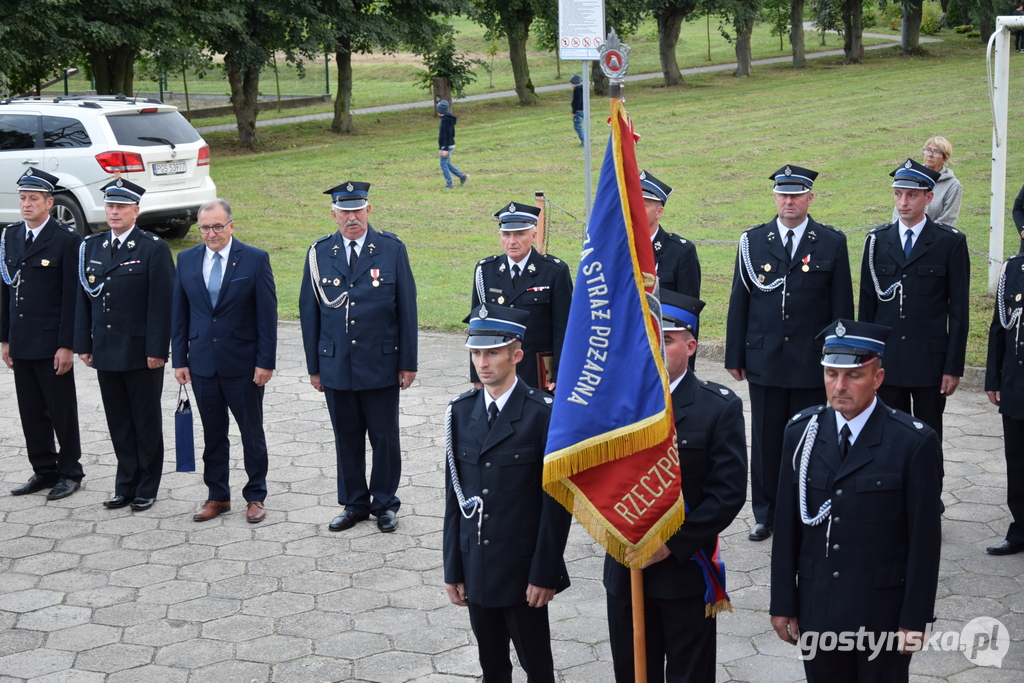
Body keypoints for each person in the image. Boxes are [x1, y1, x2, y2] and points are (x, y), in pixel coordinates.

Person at [770, 319, 942, 682]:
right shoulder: (802, 433)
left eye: (854, 376)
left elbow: (924, 543)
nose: (840, 386)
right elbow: (786, 526)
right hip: (819, 607)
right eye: (831, 374)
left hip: (881, 614)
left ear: (878, 378)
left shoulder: (912, 442)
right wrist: (784, 603)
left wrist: (914, 619)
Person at [603, 291, 746, 683]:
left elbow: (728, 493)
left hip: (684, 572)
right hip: (627, 565)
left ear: (691, 345)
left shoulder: (718, 407)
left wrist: (672, 544)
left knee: (690, 674)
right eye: (649, 336)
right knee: (632, 674)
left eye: (665, 339)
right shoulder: (617, 404)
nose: (656, 346)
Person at [725, 165, 854, 542]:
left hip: (811, 362)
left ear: (810, 198)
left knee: (812, 436)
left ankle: (808, 506)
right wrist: (735, 355)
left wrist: (840, 361)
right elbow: (740, 301)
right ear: (775, 198)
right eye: (783, 194)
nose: (789, 201)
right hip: (764, 358)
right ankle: (766, 513)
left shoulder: (830, 242)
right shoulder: (754, 240)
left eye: (796, 195)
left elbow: (840, 308)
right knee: (765, 440)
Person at [444, 303, 572, 683]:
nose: (483, 362)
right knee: (492, 667)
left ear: (516, 355)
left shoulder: (543, 415)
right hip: (477, 564)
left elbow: (556, 506)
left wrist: (545, 573)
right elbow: (455, 499)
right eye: (476, 352)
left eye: (493, 352)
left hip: (523, 572)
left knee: (537, 668)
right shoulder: (460, 412)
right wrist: (454, 568)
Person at [299, 181, 418, 533]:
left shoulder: (390, 249)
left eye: (357, 210)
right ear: (334, 214)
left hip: (381, 362)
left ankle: (384, 503)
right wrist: (314, 367)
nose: (352, 217)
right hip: (336, 363)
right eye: (344, 211)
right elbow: (310, 313)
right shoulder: (320, 253)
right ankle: (353, 504)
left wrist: (407, 362)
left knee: (384, 437)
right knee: (346, 436)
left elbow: (406, 309)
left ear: (369, 210)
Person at [172, 199, 278, 523]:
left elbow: (267, 316)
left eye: (218, 226)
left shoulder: (255, 259)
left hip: (243, 365)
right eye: (205, 227)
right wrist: (179, 359)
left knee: (251, 432)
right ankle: (217, 495)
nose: (211, 233)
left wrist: (265, 362)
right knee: (212, 434)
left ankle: (255, 495)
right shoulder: (187, 259)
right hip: (202, 363)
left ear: (231, 225)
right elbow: (180, 313)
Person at [75, 179, 175, 511]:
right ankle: (125, 484)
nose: (114, 212)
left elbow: (162, 304)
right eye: (110, 206)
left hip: (140, 351)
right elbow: (84, 301)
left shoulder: (152, 247)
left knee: (145, 420)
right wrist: (83, 344)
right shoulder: (92, 246)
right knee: (118, 420)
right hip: (105, 349)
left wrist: (158, 350)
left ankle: (147, 485)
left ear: (135, 210)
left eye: (121, 207)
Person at [859, 159, 969, 443]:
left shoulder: (949, 242)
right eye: (898, 194)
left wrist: (952, 367)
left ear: (928, 197)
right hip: (887, 364)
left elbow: (958, 312)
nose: (903, 202)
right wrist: (865, 363)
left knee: (928, 439)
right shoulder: (877, 241)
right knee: (885, 440)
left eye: (912, 195)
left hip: (929, 364)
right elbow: (868, 310)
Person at [2, 169, 83, 500]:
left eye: (33, 198)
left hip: (51, 343)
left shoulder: (65, 240)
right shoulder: (10, 236)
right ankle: (44, 469)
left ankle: (70, 471)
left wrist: (67, 344)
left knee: (60, 409)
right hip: (21, 340)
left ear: (49, 202)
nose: (26, 204)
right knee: (31, 410)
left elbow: (71, 297)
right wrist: (4, 338)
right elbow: (4, 292)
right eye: (22, 198)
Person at [470, 201, 572, 392]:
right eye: (506, 235)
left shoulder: (554, 271)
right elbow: (478, 327)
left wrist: (562, 374)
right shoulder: (485, 271)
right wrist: (477, 376)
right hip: (497, 369)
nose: (512, 241)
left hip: (539, 370)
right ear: (499, 236)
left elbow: (564, 330)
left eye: (520, 234)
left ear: (533, 236)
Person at [984, 250, 1024, 555]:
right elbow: (1000, 326)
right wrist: (993, 378)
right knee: (1017, 459)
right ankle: (1020, 529)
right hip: (1017, 381)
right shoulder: (1013, 268)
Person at [640, 170, 701, 298]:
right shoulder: (614, 247)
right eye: (632, 204)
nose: (635, 210)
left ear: (659, 212)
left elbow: (687, 309)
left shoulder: (680, 252)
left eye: (643, 206)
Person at [890, 136, 962, 227]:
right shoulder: (911, 175)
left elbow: (948, 219)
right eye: (928, 150)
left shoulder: (952, 185)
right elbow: (899, 209)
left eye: (936, 152)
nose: (930, 155)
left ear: (945, 158)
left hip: (936, 237)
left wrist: (922, 233)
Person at [436, 100, 468, 190]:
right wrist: (441, 148)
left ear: (440, 111)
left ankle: (450, 184)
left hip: (447, 145)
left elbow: (448, 135)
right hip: (447, 145)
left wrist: (445, 148)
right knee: (446, 163)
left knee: (443, 165)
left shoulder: (446, 120)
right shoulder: (447, 119)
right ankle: (462, 176)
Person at [570, 74, 584, 146]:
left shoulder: (576, 90)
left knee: (577, 126)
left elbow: (576, 101)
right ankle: (585, 139)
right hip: (583, 109)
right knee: (581, 125)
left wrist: (574, 111)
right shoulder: (583, 89)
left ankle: (584, 141)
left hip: (578, 110)